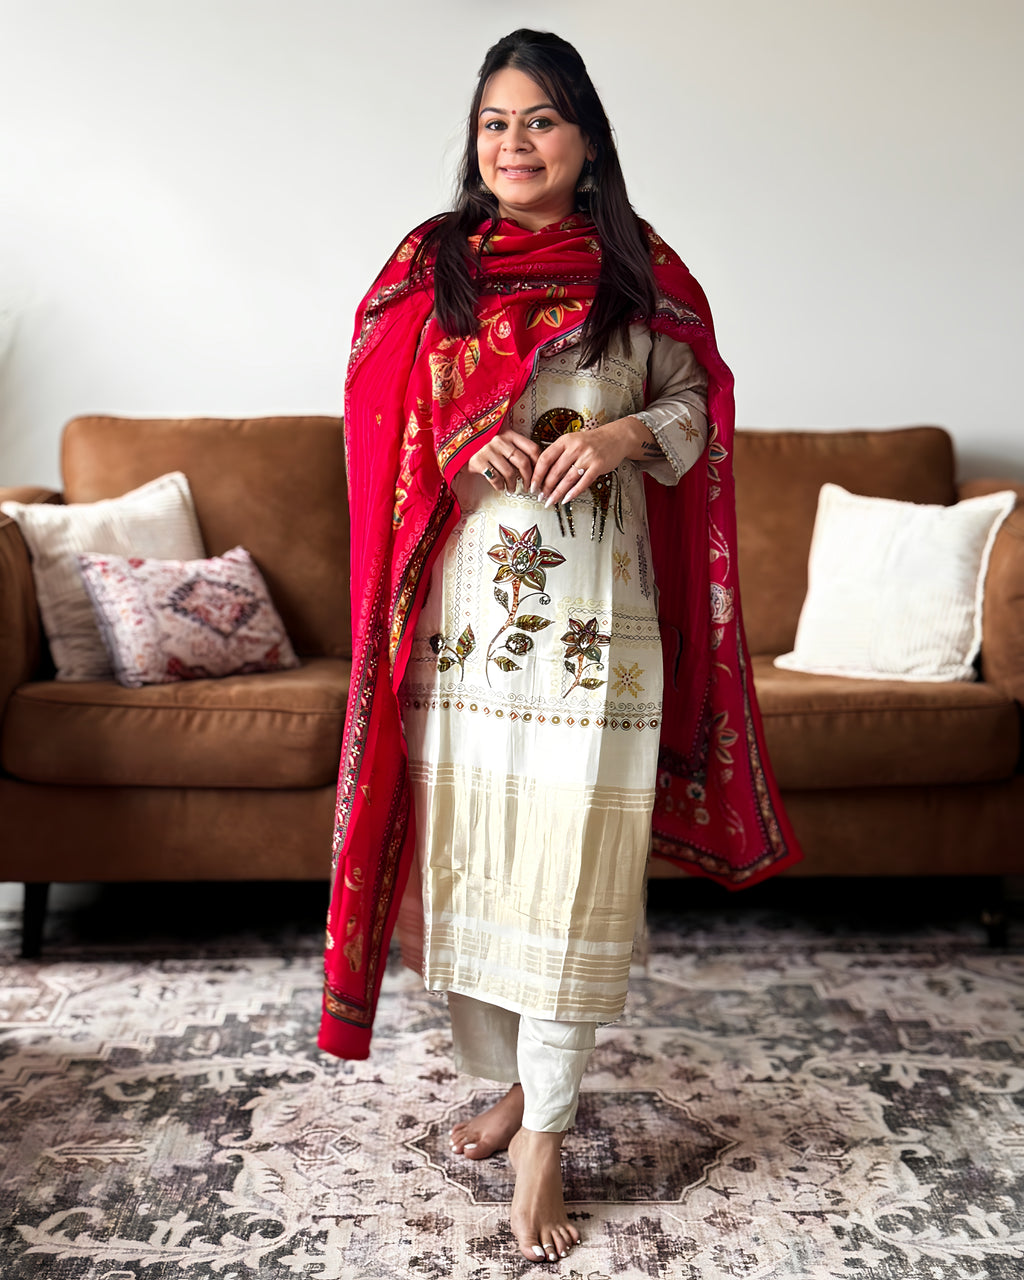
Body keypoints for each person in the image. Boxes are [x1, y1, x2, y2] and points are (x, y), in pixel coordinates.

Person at [319, 29, 802, 1265]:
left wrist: (625, 435)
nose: (514, 143)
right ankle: (514, 1084)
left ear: (585, 137)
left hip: (599, 629)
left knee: (573, 864)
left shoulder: (638, 268)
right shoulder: (431, 266)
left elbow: (699, 402)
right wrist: (451, 442)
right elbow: (377, 406)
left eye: (539, 119)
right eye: (495, 122)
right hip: (464, 630)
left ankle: (546, 1129)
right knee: (479, 860)